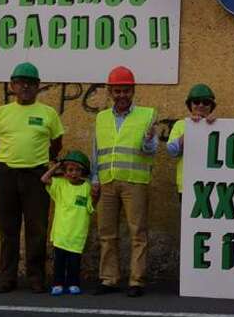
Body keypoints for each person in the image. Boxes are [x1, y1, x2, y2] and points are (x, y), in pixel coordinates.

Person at [0, 62, 64, 293]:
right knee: (8, 228)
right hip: (6, 174)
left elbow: (56, 144)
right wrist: (10, 159)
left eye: (30, 83)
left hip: (36, 176)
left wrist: (37, 160)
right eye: (20, 82)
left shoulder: (48, 113)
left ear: (38, 86)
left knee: (37, 228)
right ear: (13, 85)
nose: (25, 86)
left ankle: (36, 278)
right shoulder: (1, 113)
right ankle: (7, 278)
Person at [92, 66, 158, 297]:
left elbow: (151, 150)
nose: (122, 95)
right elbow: (96, 151)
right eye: (117, 91)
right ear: (110, 91)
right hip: (107, 181)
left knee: (138, 233)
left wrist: (148, 140)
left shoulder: (147, 115)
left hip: (134, 182)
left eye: (126, 91)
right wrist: (94, 179)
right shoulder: (101, 118)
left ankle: (136, 281)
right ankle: (109, 279)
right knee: (106, 233)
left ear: (133, 91)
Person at [41, 150, 97, 296]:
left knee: (74, 262)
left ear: (83, 172)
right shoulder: (60, 184)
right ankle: (57, 283)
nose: (74, 173)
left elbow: (91, 207)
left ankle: (73, 283)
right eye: (70, 170)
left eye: (78, 170)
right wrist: (57, 166)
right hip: (61, 233)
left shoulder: (87, 187)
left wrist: (95, 196)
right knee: (59, 262)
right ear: (64, 172)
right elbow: (44, 179)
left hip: (77, 234)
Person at [167, 84, 217, 197]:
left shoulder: (218, 126)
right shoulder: (180, 125)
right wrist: (192, 128)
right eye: (196, 102)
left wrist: (214, 126)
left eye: (206, 102)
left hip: (212, 185)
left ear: (211, 106)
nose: (201, 105)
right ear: (190, 105)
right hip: (187, 185)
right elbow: (172, 151)